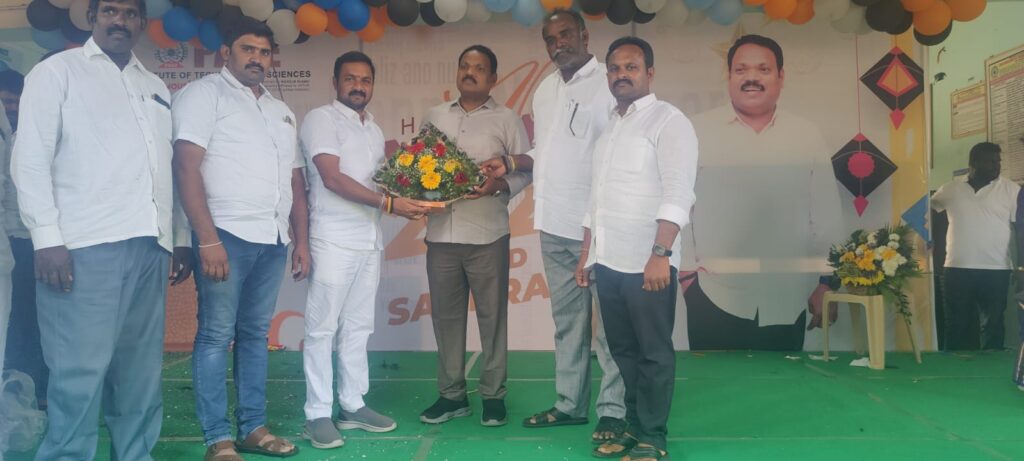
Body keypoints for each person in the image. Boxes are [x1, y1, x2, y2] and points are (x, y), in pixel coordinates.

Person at [11, 0, 193, 458]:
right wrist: (47, 239)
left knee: (139, 375)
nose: (120, 21)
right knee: (79, 375)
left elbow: (165, 167)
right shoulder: (57, 73)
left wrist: (180, 237)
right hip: (82, 247)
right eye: (110, 10)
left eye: (130, 13)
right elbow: (29, 159)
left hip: (149, 246)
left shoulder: (154, 85)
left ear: (141, 23)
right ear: (91, 18)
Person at [478, 9, 625, 443]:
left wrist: (599, 224)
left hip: (599, 228)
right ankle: (569, 404)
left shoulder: (607, 83)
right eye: (550, 38)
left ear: (584, 35)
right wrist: (510, 162)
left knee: (610, 328)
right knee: (567, 324)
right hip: (554, 222)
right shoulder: (545, 89)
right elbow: (546, 150)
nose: (558, 43)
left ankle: (613, 412)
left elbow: (615, 154)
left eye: (565, 34)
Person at [172, 17, 309, 461]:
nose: (257, 58)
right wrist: (206, 239)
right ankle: (218, 439)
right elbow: (186, 167)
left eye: (264, 52)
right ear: (226, 53)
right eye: (248, 49)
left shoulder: (279, 109)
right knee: (215, 335)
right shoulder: (203, 95)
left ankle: (253, 427)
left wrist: (300, 240)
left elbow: (294, 181)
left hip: (272, 237)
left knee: (254, 335)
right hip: (225, 235)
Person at [299, 51, 426, 449]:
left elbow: (381, 183)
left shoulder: (373, 128)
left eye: (365, 80)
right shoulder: (321, 119)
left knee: (358, 326)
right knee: (322, 328)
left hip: (369, 240)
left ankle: (352, 404)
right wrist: (389, 204)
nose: (358, 86)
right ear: (335, 82)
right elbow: (332, 179)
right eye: (350, 78)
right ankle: (317, 413)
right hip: (332, 238)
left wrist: (415, 195)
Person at [683, 34, 843, 350]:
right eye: (741, 70)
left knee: (782, 381)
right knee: (714, 381)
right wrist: (688, 279)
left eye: (763, 69)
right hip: (713, 295)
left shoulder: (806, 135)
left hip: (787, 298)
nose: (751, 78)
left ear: (781, 77)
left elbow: (826, 216)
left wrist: (827, 283)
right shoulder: (696, 131)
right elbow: (680, 206)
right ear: (729, 76)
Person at [579, 36, 697, 461]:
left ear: (650, 73)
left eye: (631, 67)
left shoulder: (669, 121)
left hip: (649, 263)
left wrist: (660, 254)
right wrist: (587, 254)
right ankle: (632, 426)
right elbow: (597, 198)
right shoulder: (611, 127)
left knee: (653, 353)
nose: (621, 75)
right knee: (623, 352)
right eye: (614, 68)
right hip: (609, 262)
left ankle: (653, 437)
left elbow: (679, 192)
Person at [418, 44, 530, 428]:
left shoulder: (507, 119)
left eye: (479, 68)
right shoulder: (434, 116)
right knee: (446, 320)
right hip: (441, 235)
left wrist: (498, 186)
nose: (470, 72)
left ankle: (493, 396)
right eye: (464, 66)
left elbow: (525, 171)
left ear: (493, 78)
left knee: (492, 319)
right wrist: (423, 189)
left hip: (488, 236)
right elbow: (420, 167)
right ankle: (451, 396)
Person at [931, 142, 1020, 351]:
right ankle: (956, 365)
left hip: (996, 268)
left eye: (998, 161)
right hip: (956, 267)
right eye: (991, 161)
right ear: (973, 163)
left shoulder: (1011, 190)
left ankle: (991, 366)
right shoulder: (950, 189)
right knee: (957, 323)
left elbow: (1020, 230)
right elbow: (928, 212)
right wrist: (930, 241)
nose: (997, 166)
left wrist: (1021, 267)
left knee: (993, 324)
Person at [1, 68, 47, 408]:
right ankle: (14, 393)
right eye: (5, 101)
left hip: (39, 241)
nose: (11, 108)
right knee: (14, 321)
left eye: (16, 102)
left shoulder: (36, 131)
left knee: (35, 320)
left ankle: (35, 391)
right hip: (9, 239)